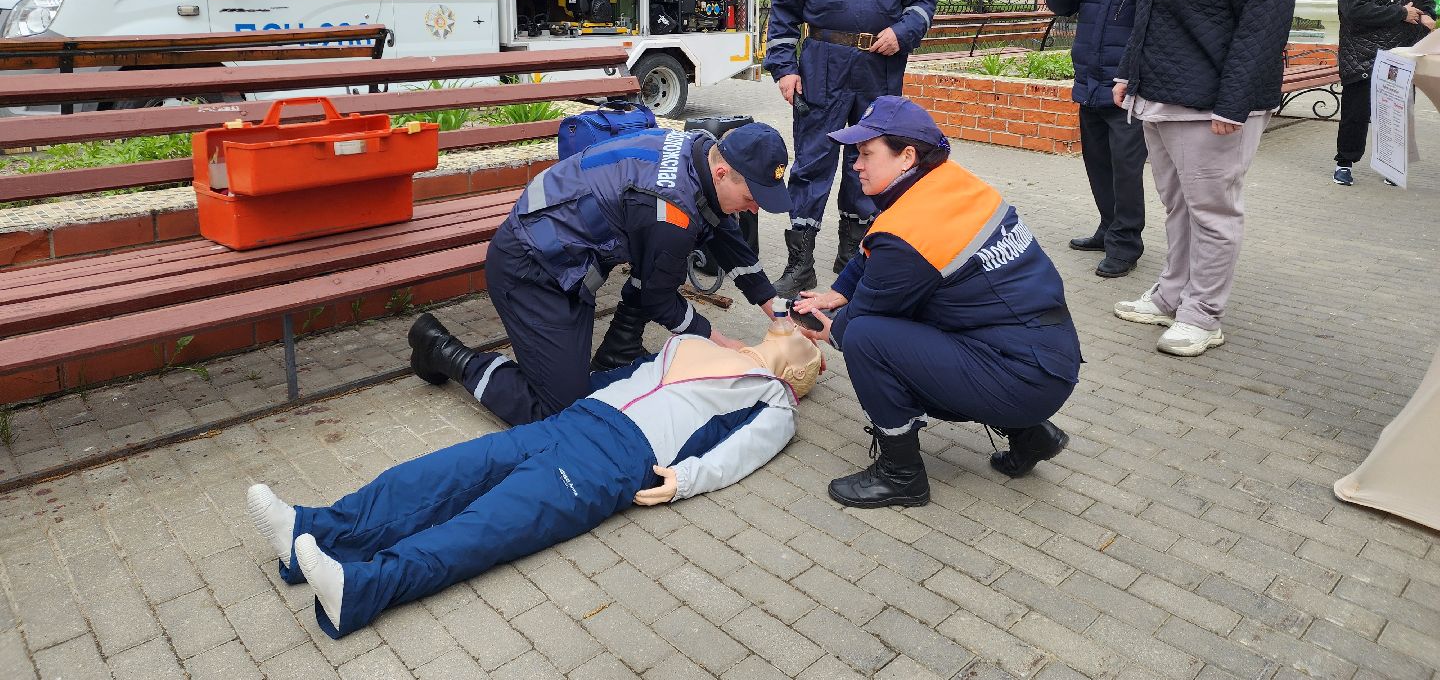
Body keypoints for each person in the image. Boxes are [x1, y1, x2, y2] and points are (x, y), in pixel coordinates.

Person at [248, 328, 822, 638]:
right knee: (443, 473)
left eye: (807, 338)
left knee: (485, 526)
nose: (796, 325)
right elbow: (624, 373)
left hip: (617, 461)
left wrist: (688, 478)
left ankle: (360, 589)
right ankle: (312, 529)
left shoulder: (774, 399)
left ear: (801, 369)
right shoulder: (696, 341)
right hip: (576, 420)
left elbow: (745, 452)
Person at [790, 96, 1081, 508]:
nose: (855, 165)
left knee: (866, 339)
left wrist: (830, 327)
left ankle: (901, 476)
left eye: (866, 154)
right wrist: (840, 291)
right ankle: (1031, 435)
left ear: (906, 156)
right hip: (1049, 356)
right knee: (926, 318)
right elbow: (879, 244)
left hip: (1022, 376)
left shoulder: (909, 232)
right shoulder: (946, 182)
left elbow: (864, 315)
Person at [408, 122, 791, 425]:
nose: (754, 210)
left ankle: (614, 353)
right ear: (722, 172)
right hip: (530, 272)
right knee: (558, 409)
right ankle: (443, 352)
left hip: (567, 267)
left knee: (655, 266)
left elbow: (723, 232)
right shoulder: (670, 211)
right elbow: (660, 299)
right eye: (751, 198)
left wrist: (775, 308)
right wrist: (718, 340)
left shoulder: (699, 150)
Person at [1111, 0, 1298, 358]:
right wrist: (1129, 73)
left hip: (1214, 104)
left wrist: (1232, 105)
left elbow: (1260, 31)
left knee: (1213, 212)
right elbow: (1150, 7)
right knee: (1178, 206)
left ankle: (1204, 314)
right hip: (1162, 97)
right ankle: (1173, 294)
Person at [764, 0, 937, 296]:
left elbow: (924, 1)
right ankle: (800, 265)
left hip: (878, 71)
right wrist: (784, 69)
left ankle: (852, 260)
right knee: (812, 163)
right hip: (822, 65)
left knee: (871, 162)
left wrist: (903, 31)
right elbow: (782, 11)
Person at [1045, 0, 1174, 278]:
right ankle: (1108, 226)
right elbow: (1060, 6)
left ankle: (1126, 244)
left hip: (1130, 83)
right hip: (1091, 80)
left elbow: (1171, 11)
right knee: (1098, 162)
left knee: (1125, 167)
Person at [1333, 0, 1436, 185]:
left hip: (1402, 56)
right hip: (1363, 56)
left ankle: (1392, 165)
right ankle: (1345, 162)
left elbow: (1427, 3)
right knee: (1356, 115)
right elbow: (1355, 12)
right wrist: (1402, 12)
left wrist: (1426, 16)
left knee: (1398, 114)